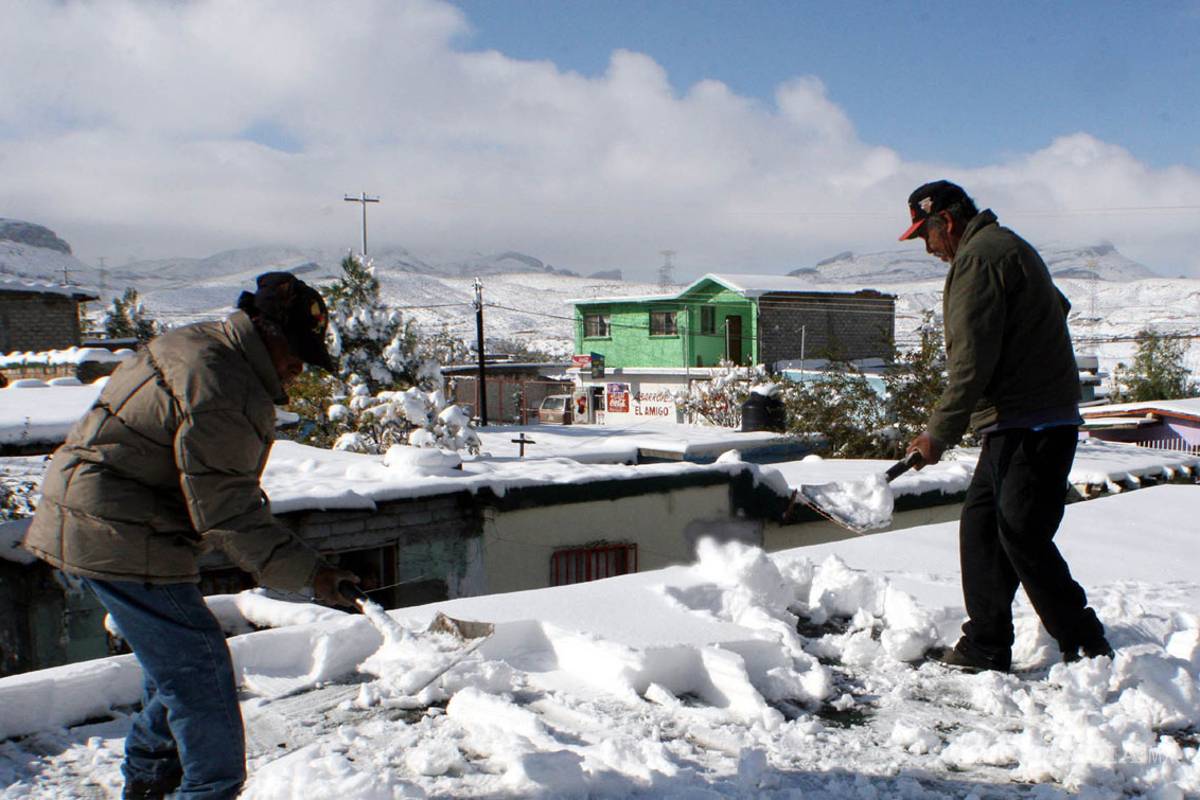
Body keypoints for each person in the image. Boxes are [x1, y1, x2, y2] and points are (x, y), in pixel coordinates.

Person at [23, 272, 359, 799]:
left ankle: (151, 781)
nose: (298, 369)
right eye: (295, 352)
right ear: (266, 331)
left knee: (177, 670)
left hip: (107, 519)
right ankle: (206, 788)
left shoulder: (202, 344)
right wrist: (313, 575)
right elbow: (226, 510)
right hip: (118, 531)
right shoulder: (224, 387)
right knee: (201, 676)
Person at [898, 180, 1112, 673]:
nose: (928, 250)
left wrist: (937, 433)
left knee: (1021, 532)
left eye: (925, 236)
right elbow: (1055, 307)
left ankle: (1085, 641)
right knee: (982, 528)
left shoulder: (980, 258)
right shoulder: (1007, 246)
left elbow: (971, 362)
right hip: (1019, 419)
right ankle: (986, 643)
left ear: (945, 222)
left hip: (1030, 422)